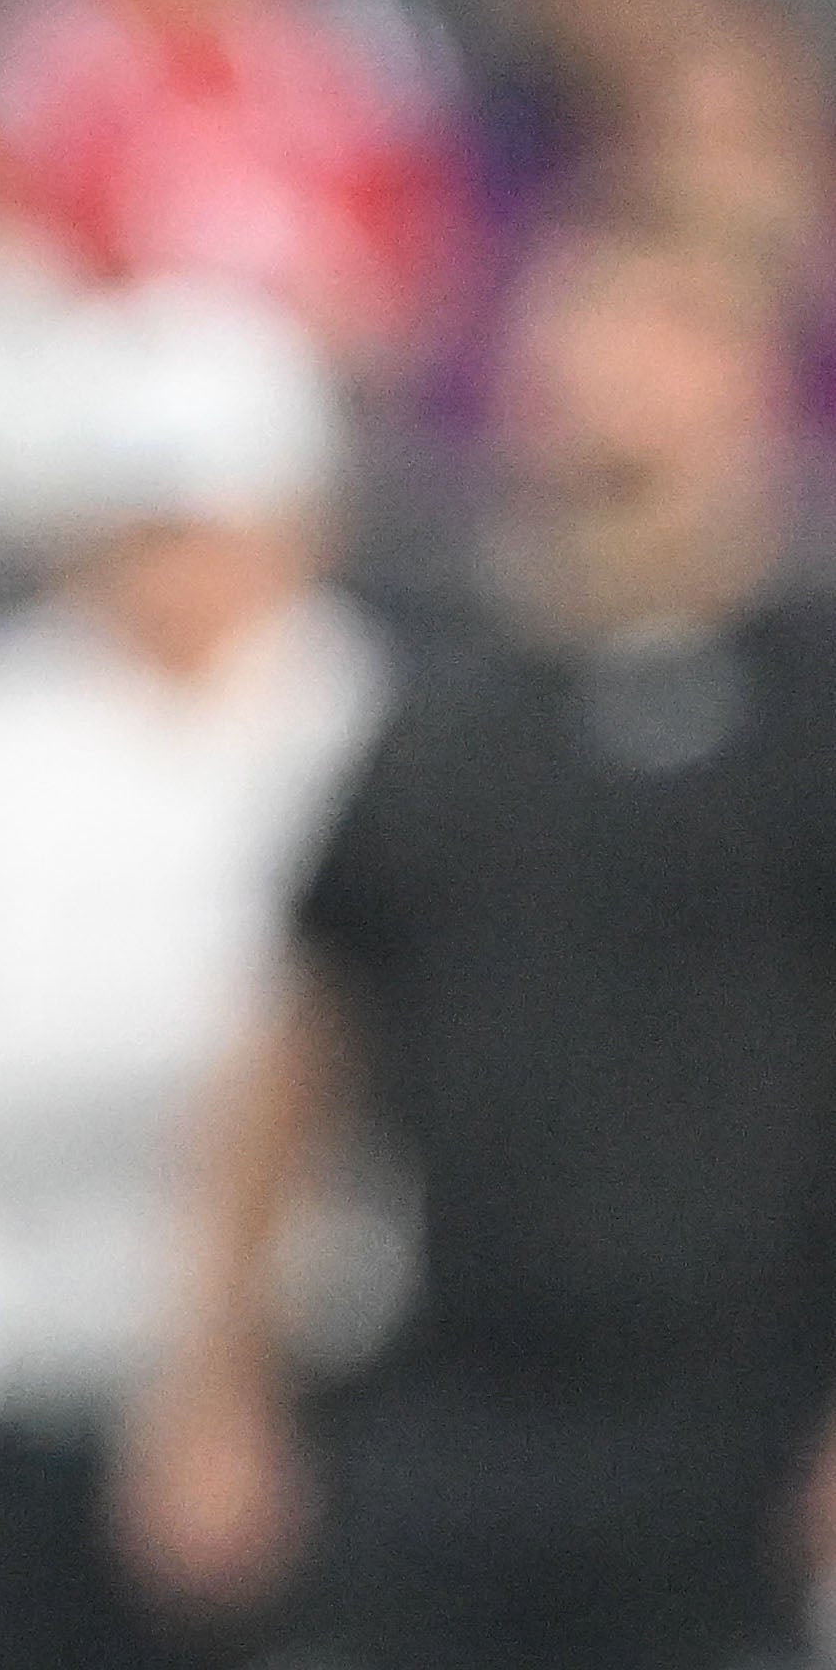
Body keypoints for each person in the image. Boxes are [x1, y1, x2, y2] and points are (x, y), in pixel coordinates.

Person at [124, 216, 836, 1670]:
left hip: (750, 1427)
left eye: (682, 334)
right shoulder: (439, 709)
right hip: (461, 1397)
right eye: (597, 331)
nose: (628, 379)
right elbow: (300, 1040)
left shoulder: (815, 695)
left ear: (760, 386)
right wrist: (215, 1383)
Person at [0, 284, 382, 1670]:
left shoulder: (383, 717)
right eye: (139, 525)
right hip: (12, 1397)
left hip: (328, 1389)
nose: (174, 568)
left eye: (206, 524)